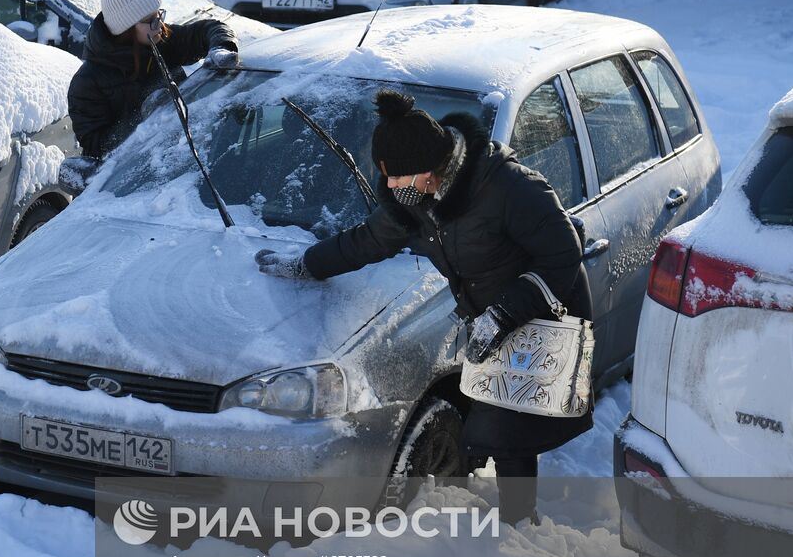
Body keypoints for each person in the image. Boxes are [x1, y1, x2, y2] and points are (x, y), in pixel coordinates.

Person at [254, 90, 592, 525]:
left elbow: (564, 254)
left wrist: (504, 314)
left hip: (544, 304)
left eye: (400, 180)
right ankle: (516, 519)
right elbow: (368, 240)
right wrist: (305, 265)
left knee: (515, 428)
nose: (393, 189)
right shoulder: (415, 200)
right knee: (502, 424)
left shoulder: (509, 188)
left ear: (431, 168)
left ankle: (518, 524)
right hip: (489, 311)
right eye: (388, 180)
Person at [68, 0, 239, 159]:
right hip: (142, 179)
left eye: (159, 14)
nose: (160, 24)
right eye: (150, 19)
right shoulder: (87, 83)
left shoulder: (161, 40)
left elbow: (210, 29)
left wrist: (221, 47)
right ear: (126, 29)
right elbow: (97, 150)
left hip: (188, 156)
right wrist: (145, 119)